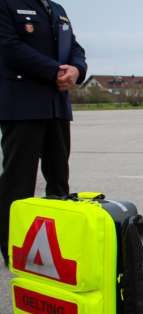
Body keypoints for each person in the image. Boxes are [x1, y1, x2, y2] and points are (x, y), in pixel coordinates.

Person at [0, 0, 87, 265]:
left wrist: (77, 69)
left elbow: (74, 47)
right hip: (22, 107)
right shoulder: (7, 4)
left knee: (59, 181)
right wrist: (55, 71)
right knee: (18, 182)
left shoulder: (57, 9)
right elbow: (9, 47)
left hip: (57, 106)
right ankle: (14, 249)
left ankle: (56, 247)